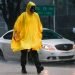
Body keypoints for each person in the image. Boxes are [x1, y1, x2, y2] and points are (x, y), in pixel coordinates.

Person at [11, 1, 44, 74]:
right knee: (24, 54)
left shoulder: (36, 15)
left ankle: (38, 67)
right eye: (32, 8)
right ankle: (23, 67)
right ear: (28, 8)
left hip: (33, 39)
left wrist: (40, 32)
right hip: (24, 39)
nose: (33, 10)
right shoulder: (23, 15)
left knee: (35, 53)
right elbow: (17, 24)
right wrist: (16, 33)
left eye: (34, 8)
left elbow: (39, 25)